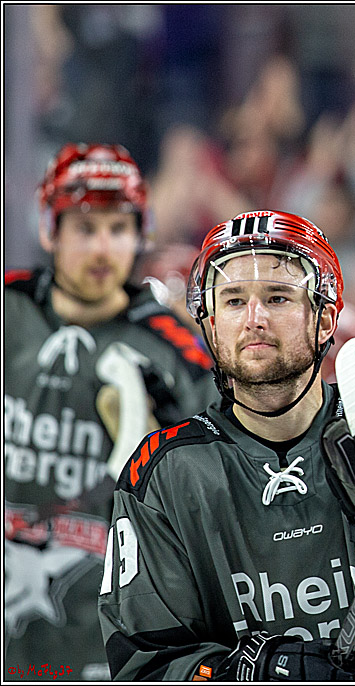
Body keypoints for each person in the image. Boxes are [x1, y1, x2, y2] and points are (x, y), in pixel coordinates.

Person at [96, 210, 355, 680]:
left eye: (277, 297)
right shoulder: (162, 472)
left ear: (326, 317)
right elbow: (146, 665)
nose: (254, 319)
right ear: (207, 324)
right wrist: (255, 673)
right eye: (232, 301)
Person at [4, 143, 218, 680]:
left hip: (99, 637)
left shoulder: (175, 351)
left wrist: (176, 440)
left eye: (119, 228)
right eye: (84, 228)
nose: (103, 247)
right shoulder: (10, 308)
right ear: (50, 230)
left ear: (141, 233)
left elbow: (220, 489)